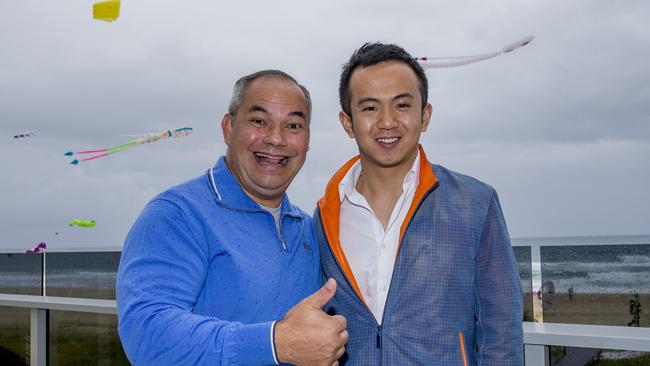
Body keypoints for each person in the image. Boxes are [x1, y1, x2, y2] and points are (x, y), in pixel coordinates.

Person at [117, 70, 348, 366]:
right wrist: (276, 343)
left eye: (293, 125)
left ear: (307, 140)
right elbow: (148, 337)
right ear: (228, 128)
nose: (276, 139)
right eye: (259, 121)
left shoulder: (306, 228)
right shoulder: (176, 215)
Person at [313, 43, 523, 365]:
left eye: (402, 105)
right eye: (369, 108)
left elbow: (503, 330)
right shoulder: (324, 216)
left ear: (425, 116)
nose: (387, 122)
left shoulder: (476, 204)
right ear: (347, 122)